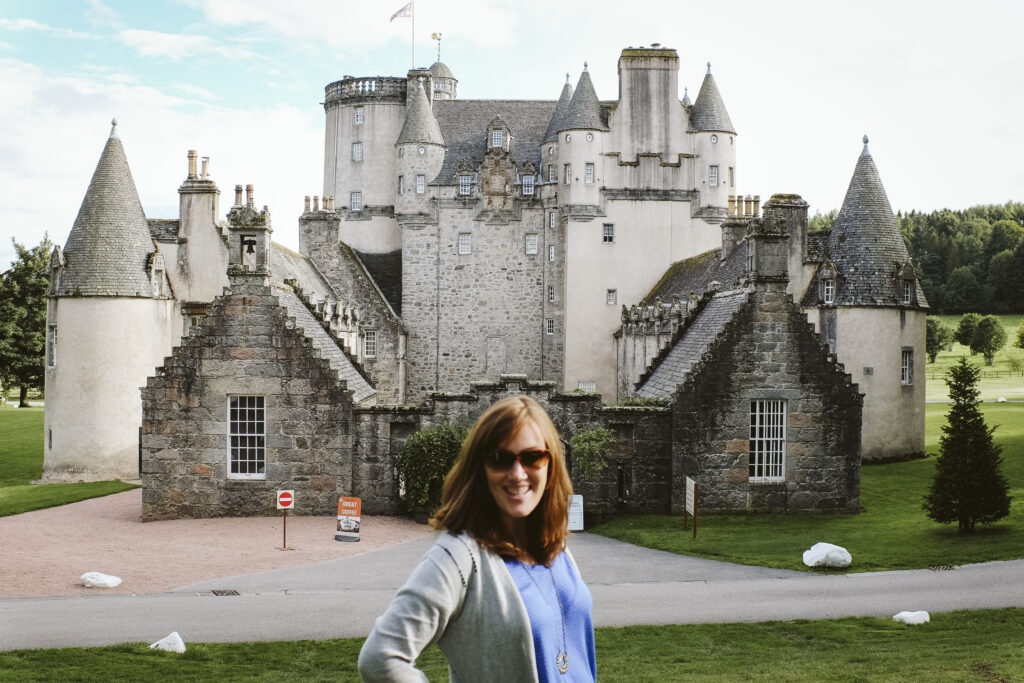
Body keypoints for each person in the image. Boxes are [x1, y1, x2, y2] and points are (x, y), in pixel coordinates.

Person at [359, 396, 596, 682]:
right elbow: (380, 657)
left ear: (551, 463)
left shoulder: (554, 544)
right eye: (500, 459)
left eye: (533, 457)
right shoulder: (459, 555)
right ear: (479, 468)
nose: (518, 474)